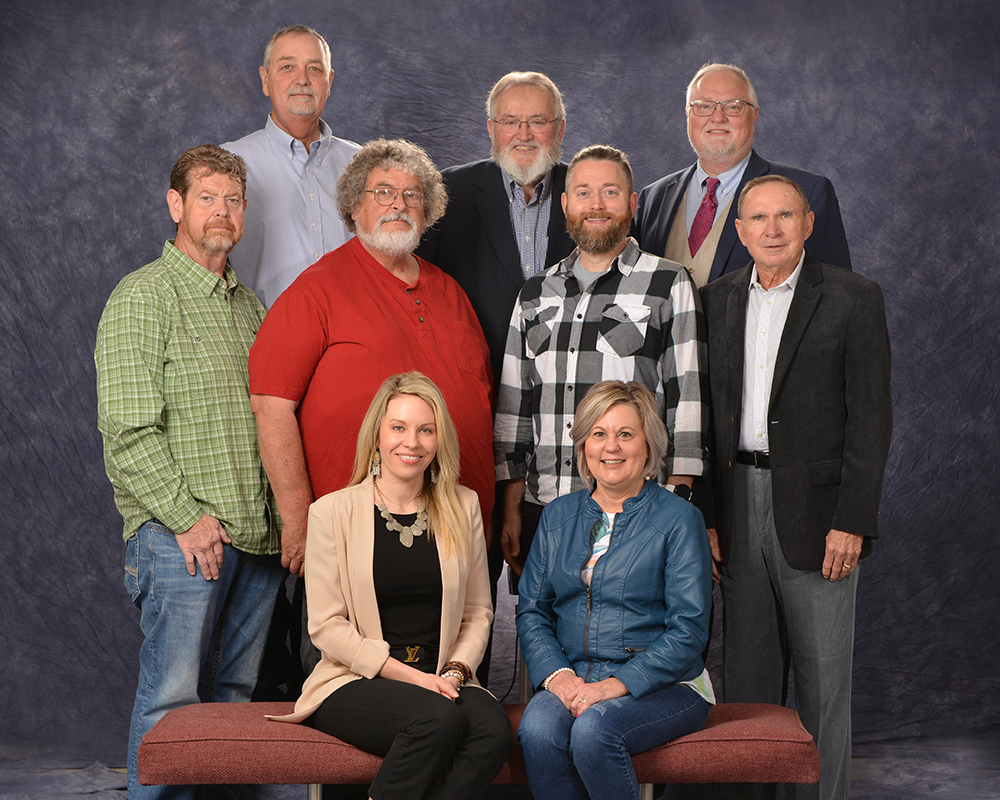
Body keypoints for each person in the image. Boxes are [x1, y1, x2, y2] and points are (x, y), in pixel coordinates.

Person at [249, 139, 494, 670]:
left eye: (412, 194)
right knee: (354, 686)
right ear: (353, 206)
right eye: (383, 192)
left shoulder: (451, 293)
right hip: (355, 545)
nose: (398, 204)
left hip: (452, 538)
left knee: (455, 679)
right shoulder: (316, 291)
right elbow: (271, 405)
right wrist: (299, 519)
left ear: (428, 210)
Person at [94, 144, 285, 799]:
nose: (221, 211)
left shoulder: (249, 307)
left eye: (233, 200)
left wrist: (280, 523)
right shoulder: (143, 296)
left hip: (255, 542)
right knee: (171, 703)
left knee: (235, 703)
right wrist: (187, 519)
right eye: (207, 197)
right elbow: (128, 431)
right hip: (180, 539)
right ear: (176, 205)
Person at [700, 175, 892, 800]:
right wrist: (707, 516)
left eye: (785, 215)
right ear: (740, 231)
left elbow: (871, 418)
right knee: (747, 687)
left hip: (821, 514)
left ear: (808, 224)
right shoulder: (715, 300)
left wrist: (853, 519)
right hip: (737, 504)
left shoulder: (852, 297)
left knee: (822, 684)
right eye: (758, 218)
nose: (773, 229)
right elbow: (705, 417)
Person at [269, 372, 512, 800]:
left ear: (439, 439)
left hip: (443, 676)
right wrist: (414, 679)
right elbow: (326, 626)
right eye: (398, 427)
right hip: (354, 680)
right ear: (377, 436)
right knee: (436, 719)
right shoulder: (331, 512)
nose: (411, 442)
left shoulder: (464, 505)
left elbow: (478, 611)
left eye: (425, 430)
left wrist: (454, 673)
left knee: (493, 730)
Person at [495, 145, 707, 582]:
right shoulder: (535, 293)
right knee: (541, 623)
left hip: (636, 510)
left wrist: (677, 499)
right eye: (584, 193)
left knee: (630, 622)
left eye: (610, 192)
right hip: (544, 508)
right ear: (566, 204)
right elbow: (515, 408)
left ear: (632, 203)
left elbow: (687, 399)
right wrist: (511, 506)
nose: (596, 205)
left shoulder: (668, 283)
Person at [516, 380, 714, 800]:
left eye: (625, 434)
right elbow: (532, 611)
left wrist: (616, 684)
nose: (611, 447)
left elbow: (689, 630)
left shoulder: (680, 519)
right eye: (599, 434)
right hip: (575, 676)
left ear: (648, 444)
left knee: (593, 730)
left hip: (668, 686)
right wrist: (558, 675)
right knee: (536, 729)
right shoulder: (556, 517)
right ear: (584, 444)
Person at [417, 70, 574, 383]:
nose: (524, 135)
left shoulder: (587, 193)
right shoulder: (446, 192)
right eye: (510, 122)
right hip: (476, 378)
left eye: (538, 121)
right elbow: (418, 291)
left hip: (570, 381)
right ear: (492, 129)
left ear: (560, 129)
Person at [634, 63, 852, 287]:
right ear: (688, 115)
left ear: (754, 115)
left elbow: (836, 292)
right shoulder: (653, 198)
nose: (718, 117)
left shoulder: (809, 190)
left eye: (733, 106)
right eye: (704, 106)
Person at [223, 24, 360, 308]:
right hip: (264, 331)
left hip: (355, 330)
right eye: (287, 67)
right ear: (265, 80)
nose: (302, 80)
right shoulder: (228, 164)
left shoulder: (363, 165)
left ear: (329, 81)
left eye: (314, 69)